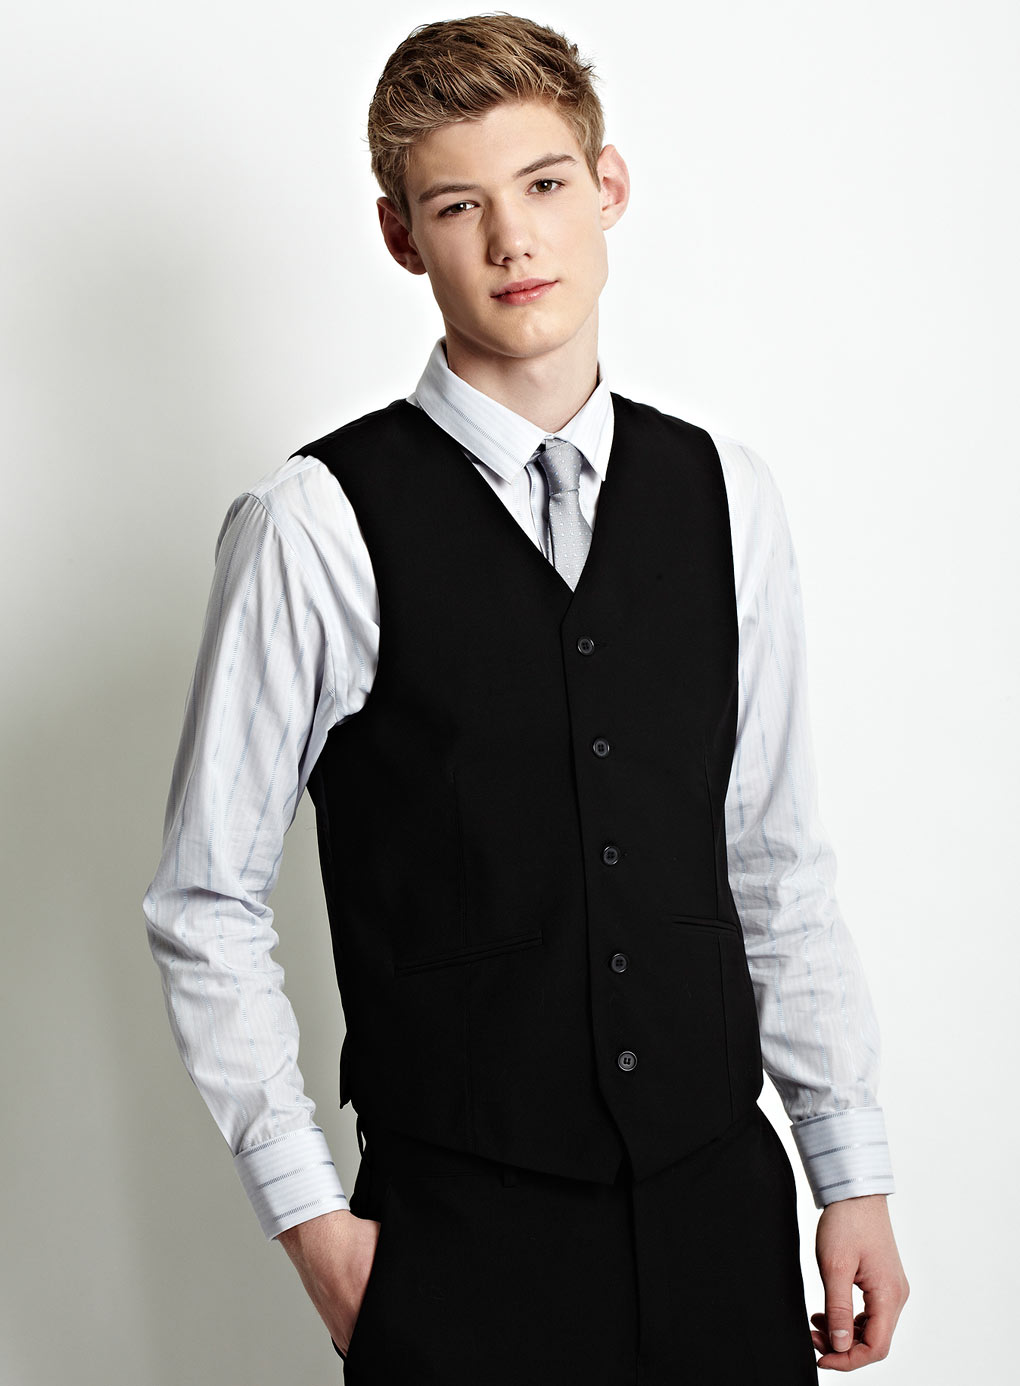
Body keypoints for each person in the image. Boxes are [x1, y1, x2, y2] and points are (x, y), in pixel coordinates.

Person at [143, 14, 908, 1384]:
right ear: (401, 237)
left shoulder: (726, 496)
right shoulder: (315, 524)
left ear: (608, 189)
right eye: (458, 206)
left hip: (720, 1224)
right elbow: (206, 897)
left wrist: (849, 1168)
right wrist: (315, 1225)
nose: (513, 240)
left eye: (545, 184)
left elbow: (774, 861)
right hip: (460, 1247)